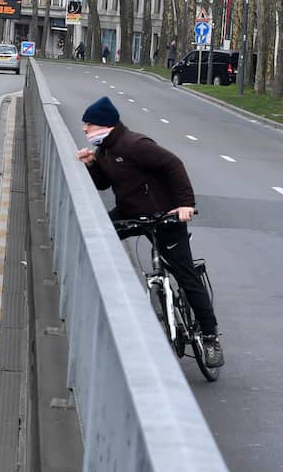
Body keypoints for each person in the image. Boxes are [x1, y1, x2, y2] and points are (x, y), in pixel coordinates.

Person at [75, 96, 222, 368]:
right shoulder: (105, 150)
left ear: (106, 124)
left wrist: (185, 205)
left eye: (90, 125)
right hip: (132, 212)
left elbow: (173, 165)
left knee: (186, 276)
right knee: (96, 235)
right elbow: (105, 184)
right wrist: (92, 164)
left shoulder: (135, 145)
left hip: (165, 215)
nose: (85, 130)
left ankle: (211, 337)